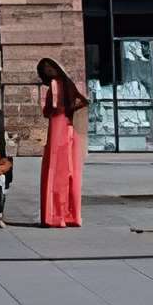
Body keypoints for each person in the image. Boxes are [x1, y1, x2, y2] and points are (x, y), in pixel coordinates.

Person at [38, 56, 86, 228]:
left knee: (54, 169)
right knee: (70, 171)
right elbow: (82, 101)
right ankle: (71, 215)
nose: (47, 71)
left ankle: (54, 216)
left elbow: (51, 108)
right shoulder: (69, 84)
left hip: (58, 127)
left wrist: (49, 109)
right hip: (70, 127)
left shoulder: (54, 84)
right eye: (45, 69)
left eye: (48, 68)